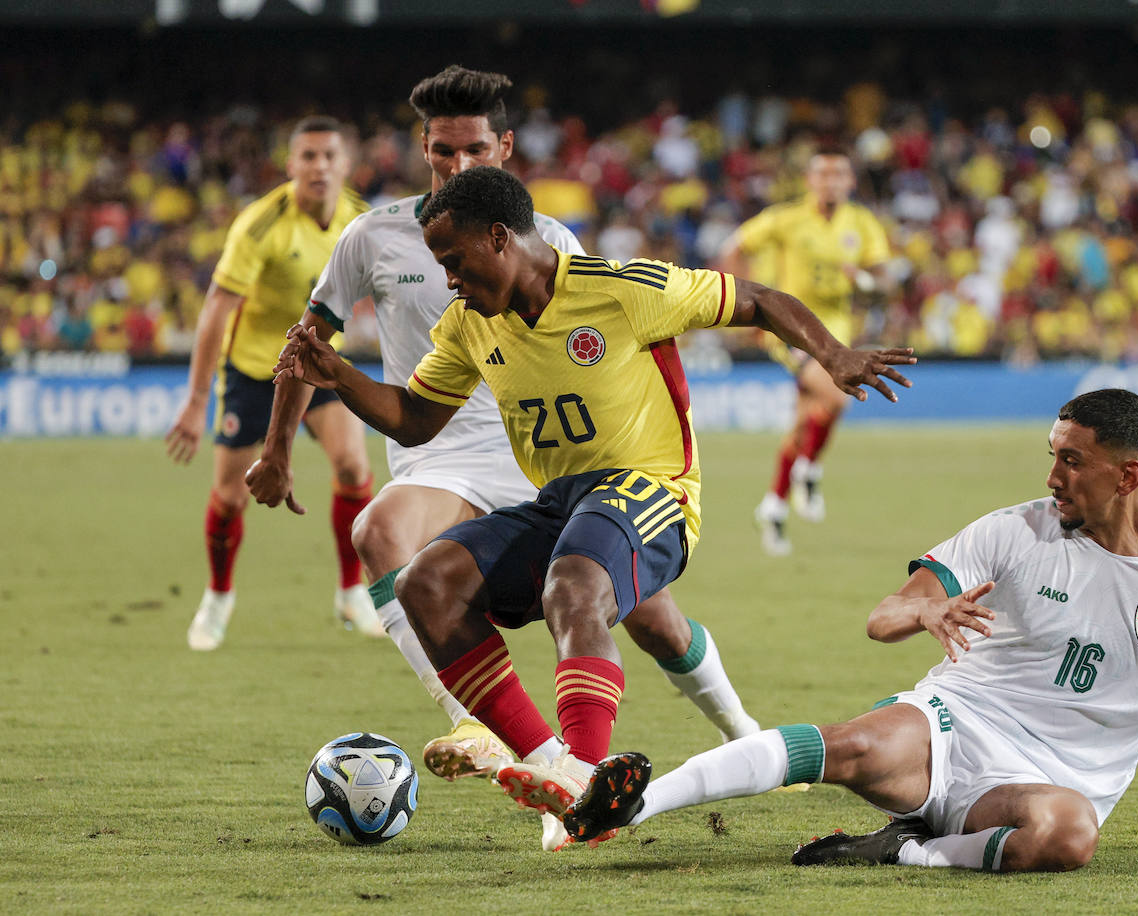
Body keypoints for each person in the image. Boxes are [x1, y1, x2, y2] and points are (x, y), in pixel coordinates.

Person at [271, 165, 914, 840]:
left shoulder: (619, 289)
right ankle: (565, 777)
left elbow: (754, 298)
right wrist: (340, 375)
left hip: (652, 489)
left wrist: (833, 355)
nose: (448, 280)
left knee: (573, 587)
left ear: (498, 239)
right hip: (560, 499)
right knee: (425, 584)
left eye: (453, 261)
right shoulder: (469, 326)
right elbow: (414, 418)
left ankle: (584, 769)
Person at [246, 66, 766, 850]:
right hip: (438, 453)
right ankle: (481, 727)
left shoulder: (549, 239)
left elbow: (610, 335)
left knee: (642, 615)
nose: (458, 167)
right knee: (383, 538)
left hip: (544, 460)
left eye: (475, 150)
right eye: (443, 153)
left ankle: (739, 729)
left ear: (505, 146)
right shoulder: (374, 234)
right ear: (423, 147)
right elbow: (307, 343)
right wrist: (278, 448)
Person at [562, 388, 1138, 871]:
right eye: (1052, 456)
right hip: (955, 723)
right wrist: (924, 609)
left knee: (1069, 838)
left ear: (1128, 477)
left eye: (1072, 461)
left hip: (1056, 784)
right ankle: (628, 807)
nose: (1052, 477)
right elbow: (885, 617)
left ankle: (906, 852)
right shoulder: (1013, 533)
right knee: (849, 743)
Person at [165, 116, 377, 651]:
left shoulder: (360, 220)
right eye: (308, 156)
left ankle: (352, 592)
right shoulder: (261, 224)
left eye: (330, 155)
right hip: (257, 370)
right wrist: (194, 401)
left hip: (322, 364)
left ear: (346, 164)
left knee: (354, 466)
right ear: (291, 166)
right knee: (231, 496)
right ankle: (218, 597)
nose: (319, 166)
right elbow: (217, 310)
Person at [717, 149, 893, 556]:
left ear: (850, 182)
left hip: (837, 332)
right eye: (823, 175)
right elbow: (733, 247)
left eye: (839, 175)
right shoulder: (786, 219)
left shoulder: (862, 223)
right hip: (790, 329)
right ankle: (809, 469)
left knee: (806, 421)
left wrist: (863, 279)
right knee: (838, 393)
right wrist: (743, 301)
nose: (830, 182)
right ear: (810, 181)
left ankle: (774, 505)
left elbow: (884, 278)